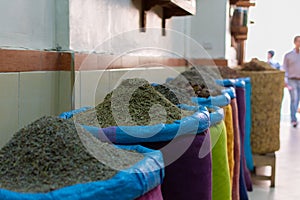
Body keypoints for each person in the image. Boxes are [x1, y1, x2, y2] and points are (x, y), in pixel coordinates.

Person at [283, 36, 300, 128]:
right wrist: (285, 80)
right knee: (294, 98)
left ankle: (294, 115)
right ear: (295, 42)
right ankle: (293, 119)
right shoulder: (288, 55)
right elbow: (284, 68)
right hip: (291, 80)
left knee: (297, 100)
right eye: (298, 41)